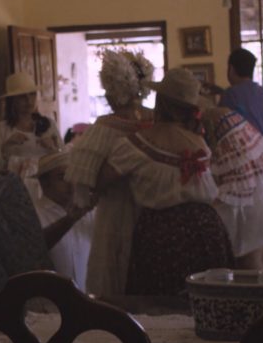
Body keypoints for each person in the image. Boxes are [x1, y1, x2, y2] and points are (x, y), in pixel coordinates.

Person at [100, 68, 234, 295]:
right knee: (205, 300)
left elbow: (102, 180)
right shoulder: (200, 143)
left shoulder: (135, 144)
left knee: (160, 305)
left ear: (160, 102)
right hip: (207, 230)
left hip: (161, 233)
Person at [65, 48, 154, 296]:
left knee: (114, 277)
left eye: (107, 87)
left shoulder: (104, 127)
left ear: (116, 88)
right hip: (154, 210)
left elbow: (83, 188)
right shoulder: (156, 121)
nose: (105, 93)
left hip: (115, 212)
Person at [200, 105, 263, 269]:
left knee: (250, 249)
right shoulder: (226, 117)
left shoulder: (207, 123)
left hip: (247, 194)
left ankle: (256, 293)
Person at [34, 152, 95, 290]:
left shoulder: (88, 213)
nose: (71, 183)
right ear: (44, 183)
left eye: (74, 176)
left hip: (88, 302)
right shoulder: (34, 214)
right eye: (62, 177)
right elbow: (35, 248)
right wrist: (69, 220)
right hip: (50, 306)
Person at [0, 71, 62, 179]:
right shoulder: (2, 129)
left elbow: (62, 161)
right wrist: (5, 148)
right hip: (15, 189)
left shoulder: (49, 125)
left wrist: (53, 148)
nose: (29, 100)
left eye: (32, 94)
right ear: (12, 100)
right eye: (22, 96)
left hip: (47, 188)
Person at [206, 48, 263, 137]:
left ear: (231, 69)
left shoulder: (230, 94)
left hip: (243, 149)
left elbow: (219, 124)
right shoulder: (262, 92)